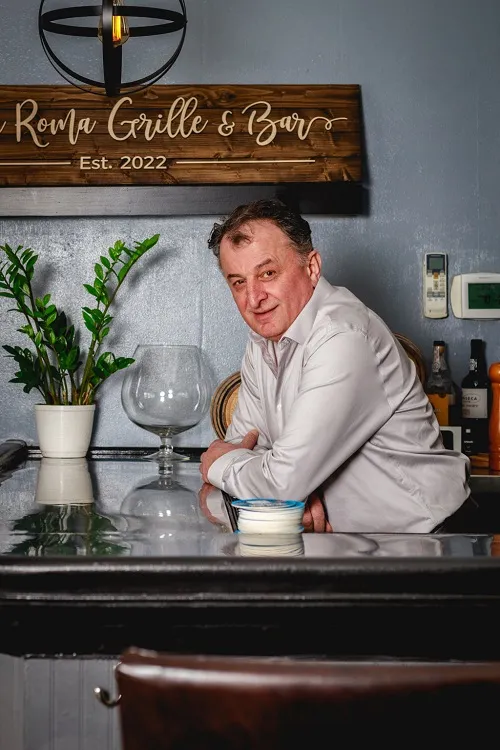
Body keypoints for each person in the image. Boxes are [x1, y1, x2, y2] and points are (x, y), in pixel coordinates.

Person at [200, 198, 472, 533]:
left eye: (268, 273)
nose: (254, 298)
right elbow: (247, 447)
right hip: (353, 542)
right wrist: (287, 497)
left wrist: (217, 463)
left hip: (428, 539)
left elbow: (275, 482)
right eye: (238, 282)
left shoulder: (343, 335)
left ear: (312, 267)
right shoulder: (263, 340)